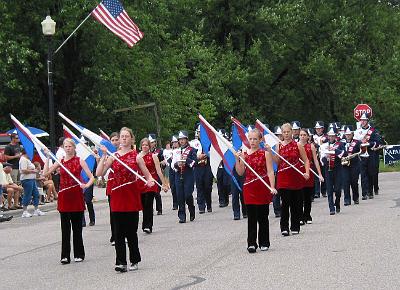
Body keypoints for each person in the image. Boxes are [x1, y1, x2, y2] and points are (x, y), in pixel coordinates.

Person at [96, 127, 154, 272]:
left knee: (131, 232)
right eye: (122, 136)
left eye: (126, 136)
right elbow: (99, 173)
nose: (124, 139)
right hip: (117, 196)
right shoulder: (113, 156)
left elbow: (148, 175)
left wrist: (150, 181)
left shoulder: (137, 156)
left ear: (131, 139)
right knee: (118, 232)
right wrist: (103, 156)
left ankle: (134, 259)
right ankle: (120, 262)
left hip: (131, 196)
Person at [44, 138, 95, 264]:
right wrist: (47, 158)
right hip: (64, 196)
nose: (68, 148)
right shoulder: (60, 162)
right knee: (65, 228)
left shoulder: (80, 161)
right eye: (66, 146)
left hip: (76, 196)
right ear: (63, 148)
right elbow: (46, 173)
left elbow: (91, 177)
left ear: (74, 148)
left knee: (77, 228)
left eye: (70, 146)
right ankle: (65, 255)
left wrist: (87, 185)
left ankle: (79, 253)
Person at [236, 129, 277, 253]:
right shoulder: (244, 154)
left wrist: (272, 186)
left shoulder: (265, 154)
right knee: (252, 217)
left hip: (262, 187)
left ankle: (264, 242)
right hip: (249, 188)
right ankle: (251, 243)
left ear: (260, 140)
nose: (252, 141)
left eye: (255, 139)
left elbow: (270, 171)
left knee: (263, 217)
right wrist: (237, 160)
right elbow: (240, 172)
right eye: (250, 139)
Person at [271, 123, 310, 236]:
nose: (286, 134)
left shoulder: (297, 145)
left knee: (296, 203)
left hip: (296, 177)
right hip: (283, 177)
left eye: (288, 132)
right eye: (284, 132)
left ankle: (295, 226)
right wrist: (270, 152)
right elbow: (277, 162)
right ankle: (284, 227)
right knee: (285, 203)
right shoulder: (279, 146)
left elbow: (306, 160)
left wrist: (306, 172)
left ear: (292, 132)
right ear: (281, 133)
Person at [138, 138, 168, 234]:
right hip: (141, 182)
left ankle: (147, 225)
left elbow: (159, 171)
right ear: (141, 146)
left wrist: (164, 184)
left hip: (151, 181)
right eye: (143, 145)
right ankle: (146, 222)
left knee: (148, 203)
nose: (145, 146)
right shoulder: (137, 157)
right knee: (143, 204)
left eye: (147, 145)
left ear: (149, 146)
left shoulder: (153, 156)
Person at [298, 129, 323, 224]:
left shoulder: (311, 146)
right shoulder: (296, 146)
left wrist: (319, 174)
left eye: (304, 135)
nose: (302, 136)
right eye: (301, 135)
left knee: (308, 196)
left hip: (309, 171)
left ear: (308, 136)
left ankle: (307, 215)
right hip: (299, 172)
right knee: (299, 196)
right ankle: (300, 216)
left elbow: (316, 161)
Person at [171, 130, 197, 223]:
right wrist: (177, 165)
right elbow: (172, 164)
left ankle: (191, 208)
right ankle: (182, 216)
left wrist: (186, 160)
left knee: (188, 195)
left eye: (183, 139)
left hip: (188, 175)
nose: (181, 141)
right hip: (178, 174)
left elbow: (194, 163)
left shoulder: (192, 150)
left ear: (186, 140)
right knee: (180, 196)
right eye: (180, 139)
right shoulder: (176, 151)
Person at [354, 113, 381, 200]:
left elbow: (377, 143)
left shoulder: (373, 131)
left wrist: (369, 143)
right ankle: (364, 193)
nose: (363, 121)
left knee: (370, 173)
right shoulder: (357, 131)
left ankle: (370, 191)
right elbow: (354, 143)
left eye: (364, 120)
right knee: (363, 174)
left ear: (367, 121)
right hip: (361, 155)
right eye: (361, 120)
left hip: (370, 154)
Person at [320, 126, 345, 215]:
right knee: (329, 189)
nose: (331, 138)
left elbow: (342, 154)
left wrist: (334, 150)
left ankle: (337, 203)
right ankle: (331, 208)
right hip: (328, 169)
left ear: (335, 136)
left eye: (333, 136)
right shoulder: (324, 146)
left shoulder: (340, 144)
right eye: (329, 136)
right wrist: (325, 159)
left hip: (338, 169)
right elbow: (321, 159)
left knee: (338, 189)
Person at [192, 125, 213, 214]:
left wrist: (206, 155)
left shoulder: (210, 142)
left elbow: (214, 153)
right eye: (200, 132)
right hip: (198, 167)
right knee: (199, 186)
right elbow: (191, 155)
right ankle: (201, 206)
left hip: (207, 166)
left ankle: (208, 204)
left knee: (207, 186)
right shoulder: (193, 143)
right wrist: (198, 157)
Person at [19, 148, 46, 218]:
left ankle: (36, 210)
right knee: (27, 195)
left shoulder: (27, 160)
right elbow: (23, 170)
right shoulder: (23, 160)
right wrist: (34, 171)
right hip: (27, 179)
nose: (32, 155)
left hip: (32, 179)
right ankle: (24, 211)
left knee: (36, 194)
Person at [105, 132, 120, 245]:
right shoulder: (108, 154)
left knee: (123, 211)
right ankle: (114, 235)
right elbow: (101, 172)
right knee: (113, 211)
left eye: (116, 139)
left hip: (123, 184)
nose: (115, 142)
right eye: (112, 140)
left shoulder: (122, 153)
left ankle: (123, 233)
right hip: (112, 184)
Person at [341, 125, 361, 205]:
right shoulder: (341, 143)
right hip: (344, 165)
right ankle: (347, 199)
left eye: (349, 134)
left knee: (354, 182)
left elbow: (361, 151)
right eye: (346, 134)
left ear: (352, 134)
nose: (348, 135)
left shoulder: (357, 142)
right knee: (345, 182)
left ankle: (356, 198)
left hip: (354, 165)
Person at [149, 134, 163, 215]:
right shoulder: (145, 152)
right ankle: (150, 208)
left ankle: (159, 209)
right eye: (150, 142)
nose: (152, 144)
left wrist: (160, 163)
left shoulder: (159, 151)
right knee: (149, 193)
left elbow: (163, 162)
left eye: (153, 142)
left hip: (157, 173)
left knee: (157, 192)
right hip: (148, 173)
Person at [312, 121, 328, 198]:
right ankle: (316, 192)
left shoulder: (326, 137)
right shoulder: (313, 137)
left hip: (324, 157)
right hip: (316, 157)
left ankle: (324, 191)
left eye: (319, 128)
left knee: (324, 173)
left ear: (322, 129)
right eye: (317, 128)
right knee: (316, 175)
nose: (318, 130)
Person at [167, 135, 179, 210]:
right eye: (173, 142)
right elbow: (167, 161)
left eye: (176, 142)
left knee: (179, 187)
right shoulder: (170, 152)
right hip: (172, 170)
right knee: (173, 187)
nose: (174, 144)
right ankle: (175, 203)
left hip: (179, 169)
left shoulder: (181, 150)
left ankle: (181, 201)